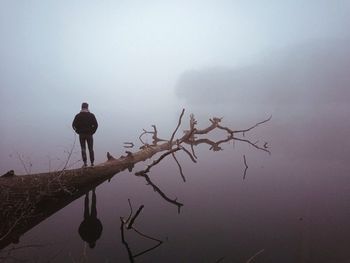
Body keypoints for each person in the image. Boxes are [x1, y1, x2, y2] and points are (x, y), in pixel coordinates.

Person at [72, 102, 98, 167]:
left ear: (81, 107)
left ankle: (85, 163)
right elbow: (96, 125)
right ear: (87, 107)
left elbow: (73, 125)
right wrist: (92, 132)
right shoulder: (91, 115)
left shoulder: (78, 116)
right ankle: (92, 164)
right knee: (91, 149)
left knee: (83, 149)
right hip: (89, 135)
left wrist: (78, 131)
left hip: (81, 135)